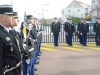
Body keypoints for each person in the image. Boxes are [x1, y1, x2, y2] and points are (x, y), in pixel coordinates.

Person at [0, 5, 21, 75]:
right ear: (2, 18)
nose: (13, 18)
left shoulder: (7, 32)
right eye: (10, 16)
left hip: (15, 70)